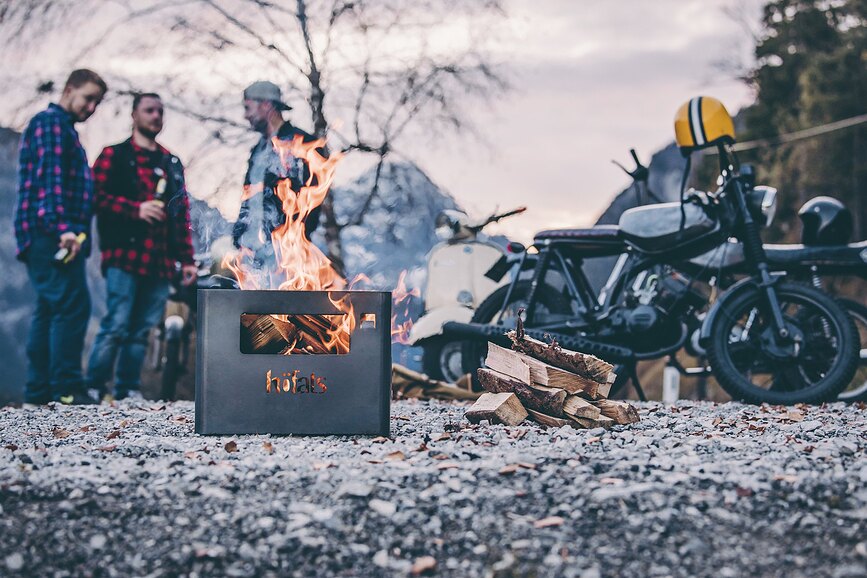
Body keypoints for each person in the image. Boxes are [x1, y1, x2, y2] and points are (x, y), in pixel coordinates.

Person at [87, 93, 197, 401]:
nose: (156, 116)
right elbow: (95, 197)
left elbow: (180, 215)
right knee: (116, 323)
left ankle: (127, 390)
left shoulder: (171, 162)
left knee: (142, 330)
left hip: (160, 263)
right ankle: (94, 388)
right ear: (134, 115)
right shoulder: (113, 155)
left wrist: (187, 260)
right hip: (123, 255)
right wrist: (134, 209)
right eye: (149, 110)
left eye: (160, 111)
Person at [14, 69, 107, 406]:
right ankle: (66, 388)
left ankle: (39, 391)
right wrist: (63, 229)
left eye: (96, 101)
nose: (91, 106)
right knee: (72, 306)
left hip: (49, 236)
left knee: (49, 309)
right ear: (69, 90)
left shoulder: (62, 129)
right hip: (51, 236)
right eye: (88, 97)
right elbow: (50, 183)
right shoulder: (52, 124)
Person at [232, 80, 321, 275]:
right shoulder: (258, 150)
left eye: (248, 108)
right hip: (254, 257)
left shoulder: (302, 144)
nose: (245, 115)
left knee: (284, 305)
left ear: (266, 105)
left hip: (288, 255)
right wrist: (238, 237)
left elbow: (312, 201)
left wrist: (292, 243)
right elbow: (250, 197)